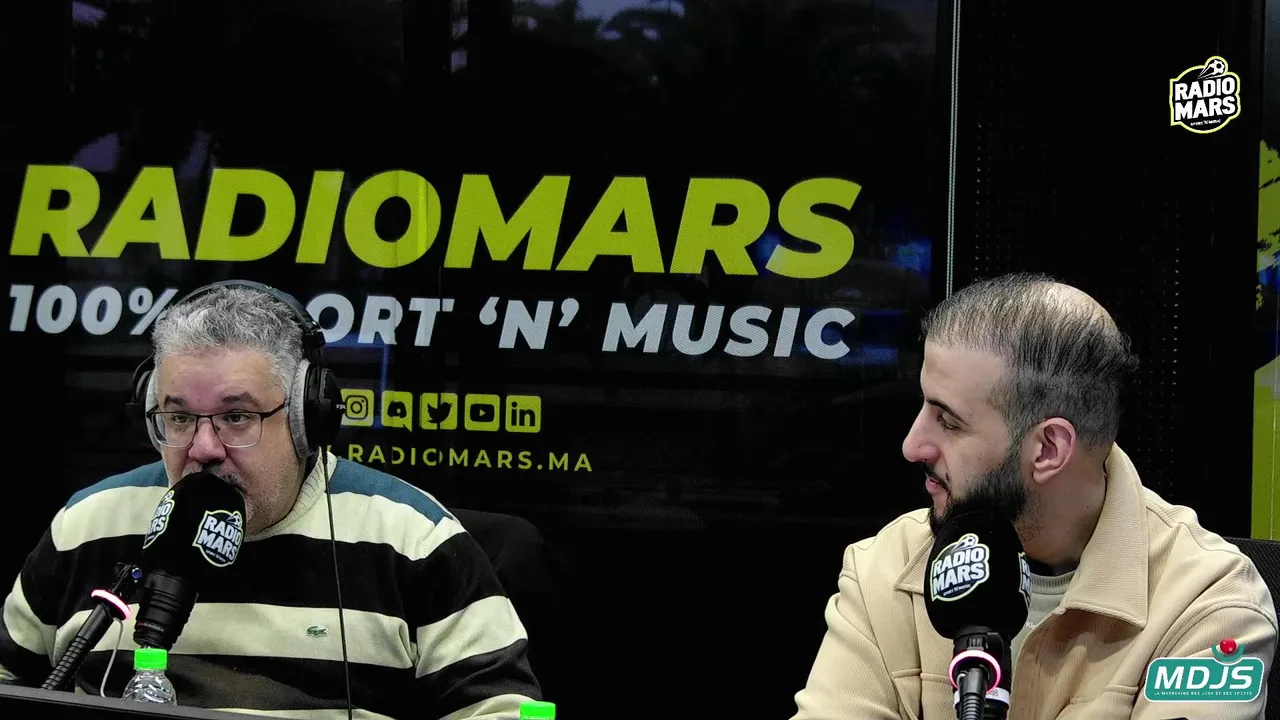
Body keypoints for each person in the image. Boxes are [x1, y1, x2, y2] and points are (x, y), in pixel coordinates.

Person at [0, 281, 543, 720]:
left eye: (237, 417)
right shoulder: (87, 526)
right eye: (179, 417)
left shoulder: (413, 539)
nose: (203, 448)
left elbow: (503, 710)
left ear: (307, 418)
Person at [791, 273, 1277, 720]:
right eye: (923, 406)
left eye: (949, 421)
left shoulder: (1210, 605)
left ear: (1048, 449)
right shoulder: (885, 566)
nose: (912, 445)